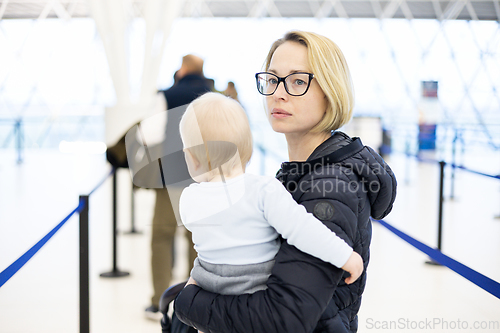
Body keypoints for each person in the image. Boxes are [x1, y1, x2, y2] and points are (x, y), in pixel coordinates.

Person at [173, 31, 397, 332]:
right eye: (272, 79)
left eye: (298, 81)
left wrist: (186, 303)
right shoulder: (296, 174)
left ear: (330, 90)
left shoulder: (332, 187)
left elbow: (282, 319)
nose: (279, 93)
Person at [178, 92, 363, 299]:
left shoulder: (189, 199)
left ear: (192, 159)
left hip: (208, 287)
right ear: (247, 148)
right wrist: (345, 256)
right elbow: (303, 230)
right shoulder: (264, 190)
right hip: (256, 290)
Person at [145, 54, 212, 320]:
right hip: (205, 177)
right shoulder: (212, 97)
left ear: (182, 69)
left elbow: (150, 135)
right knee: (198, 238)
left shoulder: (167, 96)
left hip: (170, 176)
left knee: (162, 236)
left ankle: (159, 300)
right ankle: (198, 296)